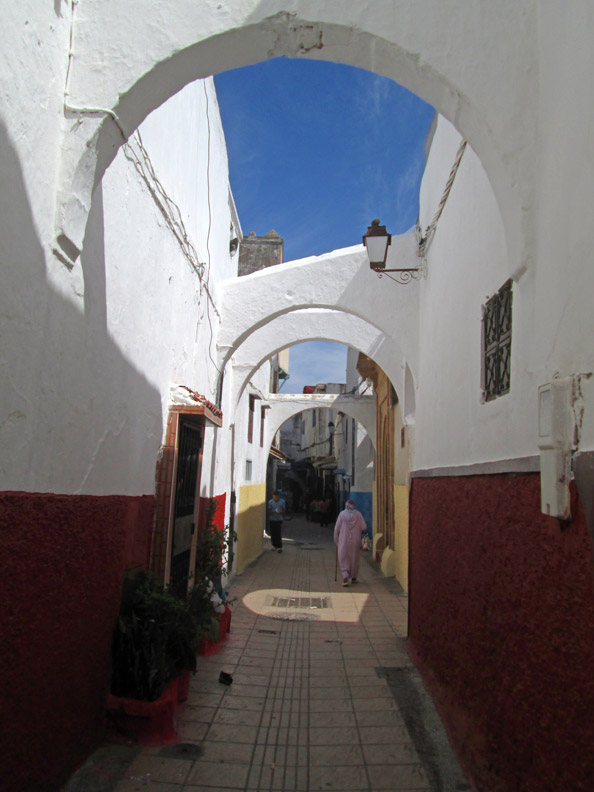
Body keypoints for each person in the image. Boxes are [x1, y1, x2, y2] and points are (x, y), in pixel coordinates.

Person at [334, 498, 366, 586]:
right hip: (355, 541)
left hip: (344, 541)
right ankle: (354, 577)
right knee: (354, 558)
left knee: (344, 558)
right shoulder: (358, 515)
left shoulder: (342, 514)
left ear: (346, 506)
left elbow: (336, 529)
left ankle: (345, 578)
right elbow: (364, 527)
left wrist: (337, 541)